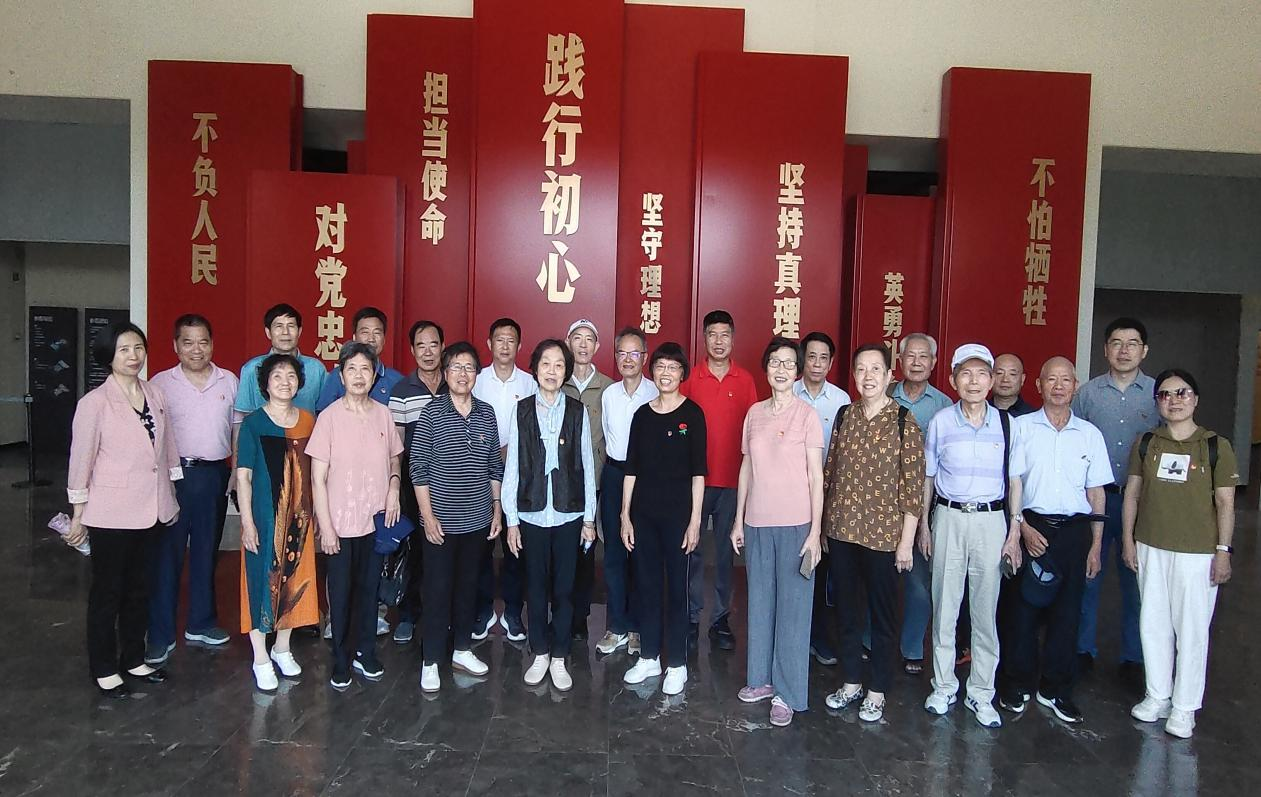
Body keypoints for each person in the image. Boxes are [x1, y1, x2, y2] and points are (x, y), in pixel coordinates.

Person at [1122, 369, 1238, 739]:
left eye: (1182, 393)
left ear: (1195, 399)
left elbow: (1226, 504)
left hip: (1197, 553)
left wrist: (1223, 551)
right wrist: (1128, 540)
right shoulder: (1146, 443)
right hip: (1151, 546)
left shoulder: (1215, 446)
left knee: (1191, 630)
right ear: (1157, 402)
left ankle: (1185, 706)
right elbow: (1132, 494)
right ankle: (1157, 695)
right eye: (1166, 394)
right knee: (1152, 624)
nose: (1174, 401)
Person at [65, 322, 179, 697]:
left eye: (138, 348)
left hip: (153, 508)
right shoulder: (94, 403)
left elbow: (167, 447)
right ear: (108, 356)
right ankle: (103, 666)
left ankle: (133, 658)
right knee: (108, 592)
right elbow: (81, 460)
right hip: (111, 512)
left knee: (140, 589)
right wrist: (78, 512)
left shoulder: (155, 393)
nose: (133, 356)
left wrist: (172, 493)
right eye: (124, 350)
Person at [999, 356, 1112, 724]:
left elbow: (1096, 492)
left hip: (1075, 532)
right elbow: (1012, 483)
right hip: (1032, 526)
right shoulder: (1021, 428)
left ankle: (1055, 689)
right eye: (1051, 379)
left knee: (1068, 613)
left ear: (1075, 386)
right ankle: (1016, 684)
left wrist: (1095, 545)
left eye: (1066, 380)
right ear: (1038, 385)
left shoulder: (1089, 434)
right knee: (1022, 612)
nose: (1059, 386)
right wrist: (1022, 529)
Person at [919, 344, 1021, 729]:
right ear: (952, 380)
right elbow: (929, 476)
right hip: (948, 517)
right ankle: (944, 686)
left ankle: (981, 691)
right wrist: (925, 524)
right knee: (945, 606)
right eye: (965, 374)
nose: (973, 382)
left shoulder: (1007, 425)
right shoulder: (941, 422)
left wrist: (1014, 530)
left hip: (991, 522)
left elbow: (1015, 481)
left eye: (981, 374)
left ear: (991, 381)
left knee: (984, 610)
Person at [822, 343, 925, 723]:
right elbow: (830, 472)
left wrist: (906, 542)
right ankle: (851, 682)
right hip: (843, 531)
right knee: (847, 612)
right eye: (861, 369)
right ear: (853, 375)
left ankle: (878, 689)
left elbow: (912, 488)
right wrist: (823, 527)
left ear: (888, 376)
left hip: (884, 538)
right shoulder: (845, 415)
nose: (868, 377)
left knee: (883, 616)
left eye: (875, 369)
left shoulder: (903, 421)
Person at [730, 338, 824, 727]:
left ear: (798, 372)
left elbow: (816, 477)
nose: (781, 369)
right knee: (760, 603)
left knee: (793, 612)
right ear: (766, 368)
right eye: (774, 362)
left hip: (796, 525)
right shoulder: (754, 413)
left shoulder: (807, 415)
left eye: (788, 363)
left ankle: (788, 692)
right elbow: (747, 468)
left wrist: (815, 531)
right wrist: (738, 519)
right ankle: (761, 680)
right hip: (757, 523)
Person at [307, 342, 404, 690]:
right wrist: (326, 527)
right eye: (352, 369)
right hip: (340, 523)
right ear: (341, 375)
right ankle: (341, 658)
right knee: (341, 592)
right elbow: (317, 478)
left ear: (375, 374)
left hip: (375, 521)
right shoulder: (329, 418)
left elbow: (395, 459)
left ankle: (365, 651)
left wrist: (394, 488)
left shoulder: (383, 414)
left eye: (366, 369)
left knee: (369, 589)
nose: (359, 376)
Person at [144, 314, 238, 666]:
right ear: (175, 346)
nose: (196, 349)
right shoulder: (160, 384)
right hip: (174, 476)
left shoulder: (229, 380)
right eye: (188, 342)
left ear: (212, 344)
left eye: (203, 342)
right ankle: (160, 634)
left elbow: (237, 428)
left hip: (214, 474)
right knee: (166, 556)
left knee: (206, 551)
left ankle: (201, 623)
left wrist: (235, 471)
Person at [503, 339, 598, 690]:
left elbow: (587, 465)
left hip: (568, 513)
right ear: (535, 368)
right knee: (535, 586)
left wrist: (589, 518)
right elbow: (513, 466)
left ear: (566, 371)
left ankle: (559, 655)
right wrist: (511, 520)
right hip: (531, 513)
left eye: (559, 365)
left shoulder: (576, 411)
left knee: (564, 588)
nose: (552, 371)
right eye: (546, 364)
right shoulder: (522, 410)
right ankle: (539, 652)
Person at [411, 342, 505, 693]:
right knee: (437, 590)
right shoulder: (431, 413)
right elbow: (418, 468)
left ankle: (462, 649)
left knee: (468, 587)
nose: (463, 374)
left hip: (477, 520)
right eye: (456, 367)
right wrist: (427, 515)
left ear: (477, 374)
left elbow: (494, 465)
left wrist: (496, 508)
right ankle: (431, 659)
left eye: (469, 368)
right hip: (440, 521)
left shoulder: (487, 413)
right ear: (445, 373)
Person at [1072, 317, 1156, 683]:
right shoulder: (1088, 394)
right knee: (1088, 575)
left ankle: (1133, 657)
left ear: (1144, 351)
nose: (1124, 351)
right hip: (1095, 499)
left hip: (1140, 503)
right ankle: (1082, 651)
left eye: (1132, 343)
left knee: (1136, 581)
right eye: (1117, 343)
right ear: (1105, 350)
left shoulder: (1158, 394)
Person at [621, 342, 707, 696]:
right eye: (660, 366)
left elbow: (699, 472)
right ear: (652, 371)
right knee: (647, 585)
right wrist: (625, 515)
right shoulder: (642, 415)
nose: (666, 373)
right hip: (644, 515)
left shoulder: (693, 414)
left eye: (673, 367)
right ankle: (650, 657)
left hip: (678, 518)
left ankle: (678, 664)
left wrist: (695, 520)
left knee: (677, 590)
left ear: (682, 373)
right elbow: (631, 468)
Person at [235, 353, 320, 691]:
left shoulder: (308, 422)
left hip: (300, 518)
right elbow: (243, 477)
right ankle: (260, 657)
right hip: (264, 517)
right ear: (265, 384)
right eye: (277, 376)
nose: (285, 382)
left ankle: (282, 648)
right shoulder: (254, 424)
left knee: (294, 581)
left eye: (291, 376)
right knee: (261, 582)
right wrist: (247, 522)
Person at [681, 310, 758, 651]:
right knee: (692, 548)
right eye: (712, 334)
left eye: (724, 334)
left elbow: (754, 430)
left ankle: (720, 619)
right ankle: (690, 615)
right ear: (704, 338)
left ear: (733, 338)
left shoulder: (745, 380)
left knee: (726, 552)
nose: (718, 341)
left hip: (732, 483)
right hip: (695, 480)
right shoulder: (691, 378)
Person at [889, 332, 952, 675]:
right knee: (878, 578)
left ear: (934, 362)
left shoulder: (944, 406)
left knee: (918, 581)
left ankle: (912, 647)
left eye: (923, 356)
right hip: (882, 502)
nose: (916, 362)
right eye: (910, 356)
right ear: (899, 361)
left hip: (924, 503)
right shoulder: (884, 395)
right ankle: (872, 640)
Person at [471, 318, 535, 642]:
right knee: (481, 548)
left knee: (515, 548)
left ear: (519, 345)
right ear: (489, 343)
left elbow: (534, 428)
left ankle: (512, 613)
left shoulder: (530, 383)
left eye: (511, 340)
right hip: (479, 475)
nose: (505, 345)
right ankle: (482, 612)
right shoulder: (477, 379)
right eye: (499, 339)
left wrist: (509, 451)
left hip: (518, 476)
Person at [595, 327, 658, 656]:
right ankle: (616, 625)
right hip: (615, 474)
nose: (628, 359)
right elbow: (607, 437)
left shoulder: (655, 392)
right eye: (622, 353)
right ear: (616, 357)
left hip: (646, 479)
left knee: (641, 555)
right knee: (614, 555)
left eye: (635, 353)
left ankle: (637, 627)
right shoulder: (609, 394)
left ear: (645, 358)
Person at [388, 320, 448, 645]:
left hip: (450, 482)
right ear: (412, 351)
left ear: (442, 347)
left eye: (433, 344)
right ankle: (408, 616)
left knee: (445, 550)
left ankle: (444, 615)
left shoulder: (455, 384)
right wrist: (395, 486)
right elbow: (396, 448)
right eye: (421, 346)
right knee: (413, 550)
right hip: (414, 482)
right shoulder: (401, 391)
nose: (427, 352)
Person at [793, 331, 851, 667]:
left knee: (825, 566)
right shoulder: (788, 393)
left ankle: (820, 637)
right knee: (795, 564)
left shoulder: (842, 400)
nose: (816, 363)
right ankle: (796, 637)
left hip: (829, 492)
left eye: (823, 358)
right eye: (811, 356)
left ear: (831, 363)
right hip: (792, 490)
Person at [561, 318, 614, 642]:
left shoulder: (608, 387)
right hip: (561, 483)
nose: (583, 345)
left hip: (594, 481)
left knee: (587, 550)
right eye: (577, 338)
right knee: (562, 550)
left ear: (597, 347)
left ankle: (581, 616)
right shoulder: (557, 380)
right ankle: (562, 613)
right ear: (568, 343)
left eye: (589, 339)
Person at [236, 303, 328, 415]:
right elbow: (242, 415)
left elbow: (325, 413)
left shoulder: (316, 369)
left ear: (299, 331)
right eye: (279, 326)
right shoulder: (251, 369)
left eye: (291, 326)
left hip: (306, 426)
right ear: (268, 332)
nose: (285, 332)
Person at [315, 306, 405, 411]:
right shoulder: (337, 376)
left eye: (377, 333)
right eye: (365, 332)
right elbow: (323, 413)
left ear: (384, 339)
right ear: (354, 337)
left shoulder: (397, 381)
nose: (371, 339)